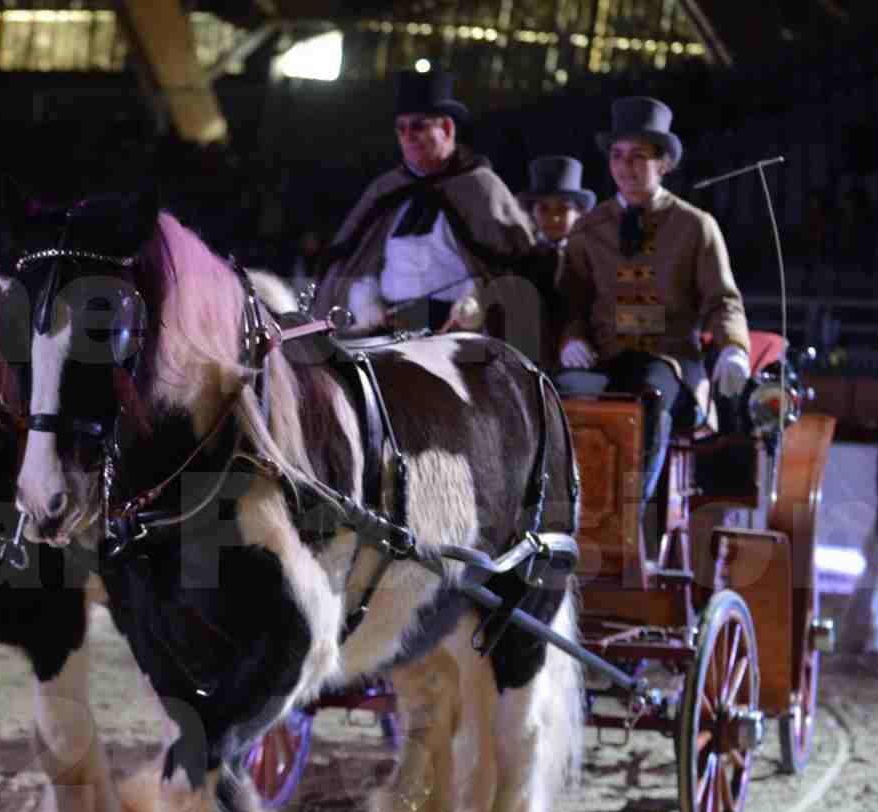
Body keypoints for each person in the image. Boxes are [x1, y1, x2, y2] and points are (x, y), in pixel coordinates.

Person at [556, 96, 750, 507]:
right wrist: (572, 337)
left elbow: (722, 299)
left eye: (638, 156)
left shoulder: (696, 226)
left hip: (672, 361)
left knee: (648, 397)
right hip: (605, 358)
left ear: (664, 163)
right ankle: (558, 514)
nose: (625, 167)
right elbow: (571, 300)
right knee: (556, 394)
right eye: (617, 155)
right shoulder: (589, 228)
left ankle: (624, 518)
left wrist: (734, 348)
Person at [313, 69, 537, 335]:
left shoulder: (480, 186)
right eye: (401, 128)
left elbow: (507, 266)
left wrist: (474, 300)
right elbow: (358, 260)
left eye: (419, 126)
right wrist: (367, 301)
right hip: (388, 325)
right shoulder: (387, 189)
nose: (408, 136)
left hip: (458, 328)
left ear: (446, 128)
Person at [519, 156, 594, 368]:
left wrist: (576, 337)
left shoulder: (593, 257)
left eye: (563, 209)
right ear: (532, 212)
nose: (553, 219)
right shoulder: (519, 260)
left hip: (583, 356)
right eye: (543, 208)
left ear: (579, 213)